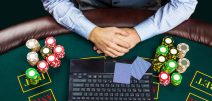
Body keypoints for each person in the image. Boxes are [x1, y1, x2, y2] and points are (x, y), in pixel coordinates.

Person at [42, 0, 198, 58]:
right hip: (87, 14)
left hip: (147, 15)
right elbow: (54, 1)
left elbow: (185, 4)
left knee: (133, 76)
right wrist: (92, 31)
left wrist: (138, 33)